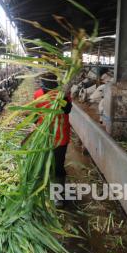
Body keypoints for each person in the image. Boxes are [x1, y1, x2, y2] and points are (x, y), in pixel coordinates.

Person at [33, 73, 72, 207]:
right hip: (45, 136)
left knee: (58, 166)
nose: (48, 90)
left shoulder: (62, 95)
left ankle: (58, 195)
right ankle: (51, 191)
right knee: (50, 164)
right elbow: (35, 114)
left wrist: (62, 99)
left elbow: (67, 110)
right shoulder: (40, 94)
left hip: (58, 137)